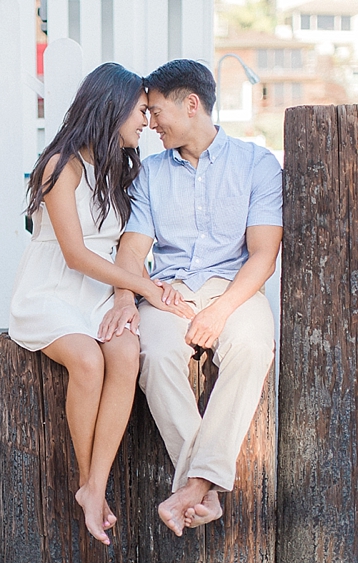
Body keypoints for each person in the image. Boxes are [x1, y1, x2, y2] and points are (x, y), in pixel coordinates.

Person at [8, 62, 193, 545]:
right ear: (112, 109)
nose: (146, 122)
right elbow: (76, 253)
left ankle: (94, 486)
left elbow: (122, 249)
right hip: (52, 289)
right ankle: (91, 483)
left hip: (99, 292)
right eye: (139, 111)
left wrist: (126, 297)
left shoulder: (121, 169)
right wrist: (147, 289)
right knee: (88, 361)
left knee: (126, 353)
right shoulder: (60, 165)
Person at [101, 59, 283, 537]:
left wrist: (221, 311)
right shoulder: (150, 174)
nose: (150, 122)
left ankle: (192, 485)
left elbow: (263, 255)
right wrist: (125, 297)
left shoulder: (257, 164)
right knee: (156, 354)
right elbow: (133, 250)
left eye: (157, 111)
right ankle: (205, 490)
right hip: (170, 291)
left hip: (234, 287)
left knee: (250, 348)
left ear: (192, 104)